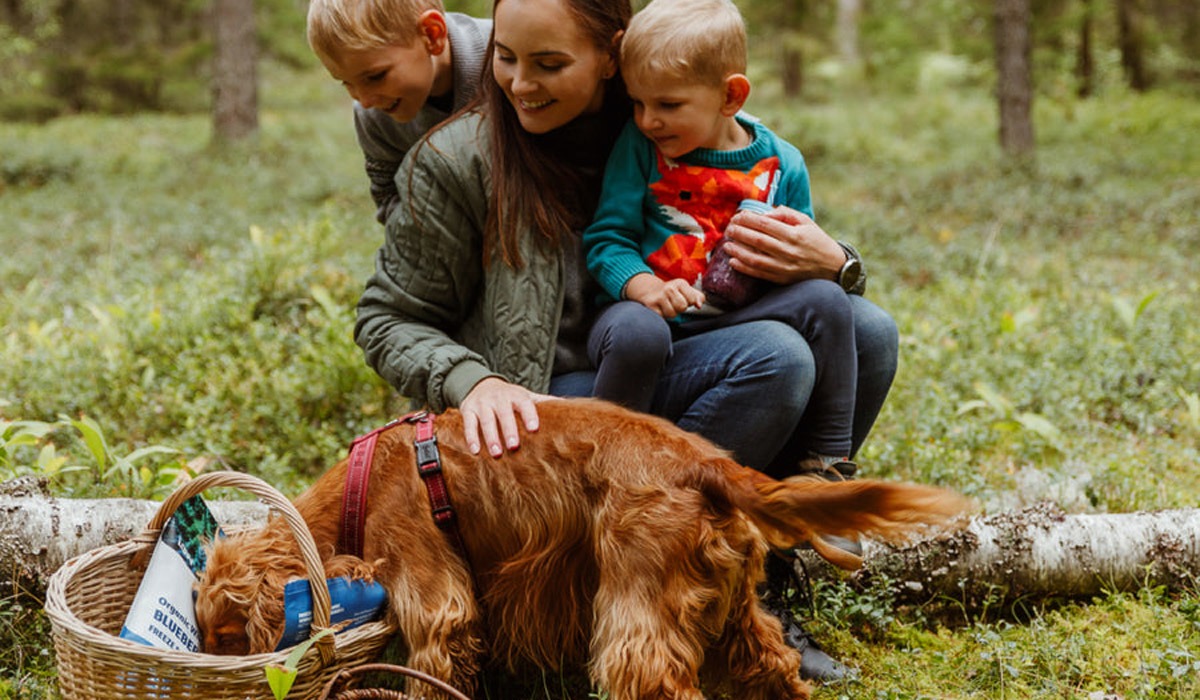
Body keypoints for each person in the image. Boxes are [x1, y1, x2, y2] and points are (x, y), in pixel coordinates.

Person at [354, 0, 899, 683]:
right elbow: (384, 318)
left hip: (672, 349)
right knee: (778, 361)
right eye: (505, 59)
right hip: (547, 396)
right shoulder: (460, 160)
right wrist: (475, 381)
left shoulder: (660, 105)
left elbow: (749, 210)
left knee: (870, 332)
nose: (521, 84)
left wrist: (836, 260)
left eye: (550, 64)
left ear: (612, 56)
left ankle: (746, 588)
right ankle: (620, 580)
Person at [582, 0, 860, 478]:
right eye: (638, 102)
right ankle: (603, 469)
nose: (648, 120)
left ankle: (827, 466)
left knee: (828, 300)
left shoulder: (781, 163)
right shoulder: (641, 148)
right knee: (635, 332)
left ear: (731, 97)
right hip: (650, 317)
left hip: (735, 320)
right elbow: (607, 238)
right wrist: (644, 286)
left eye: (668, 105)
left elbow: (798, 259)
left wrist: (797, 264)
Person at [306, 0, 491, 225]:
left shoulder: (509, 60)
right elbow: (391, 204)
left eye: (375, 76)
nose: (365, 101)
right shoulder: (374, 118)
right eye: (346, 82)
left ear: (432, 35)